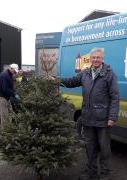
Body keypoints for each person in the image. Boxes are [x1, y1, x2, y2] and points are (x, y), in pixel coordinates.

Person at [51, 48, 119, 180]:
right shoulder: (85, 73)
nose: (95, 60)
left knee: (104, 148)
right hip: (87, 117)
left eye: (98, 57)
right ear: (90, 59)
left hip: (103, 119)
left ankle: (105, 173)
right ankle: (91, 171)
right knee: (90, 146)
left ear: (102, 59)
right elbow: (71, 81)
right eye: (93, 57)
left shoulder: (109, 74)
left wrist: (112, 117)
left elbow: (115, 96)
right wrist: (56, 80)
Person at [0, 63, 20, 129]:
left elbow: (10, 87)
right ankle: (5, 133)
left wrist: (13, 94)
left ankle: (9, 128)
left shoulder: (10, 75)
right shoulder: (5, 75)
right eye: (14, 71)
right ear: (10, 68)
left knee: (10, 112)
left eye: (15, 71)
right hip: (2, 97)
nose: (15, 72)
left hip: (6, 97)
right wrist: (14, 95)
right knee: (4, 115)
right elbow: (5, 88)